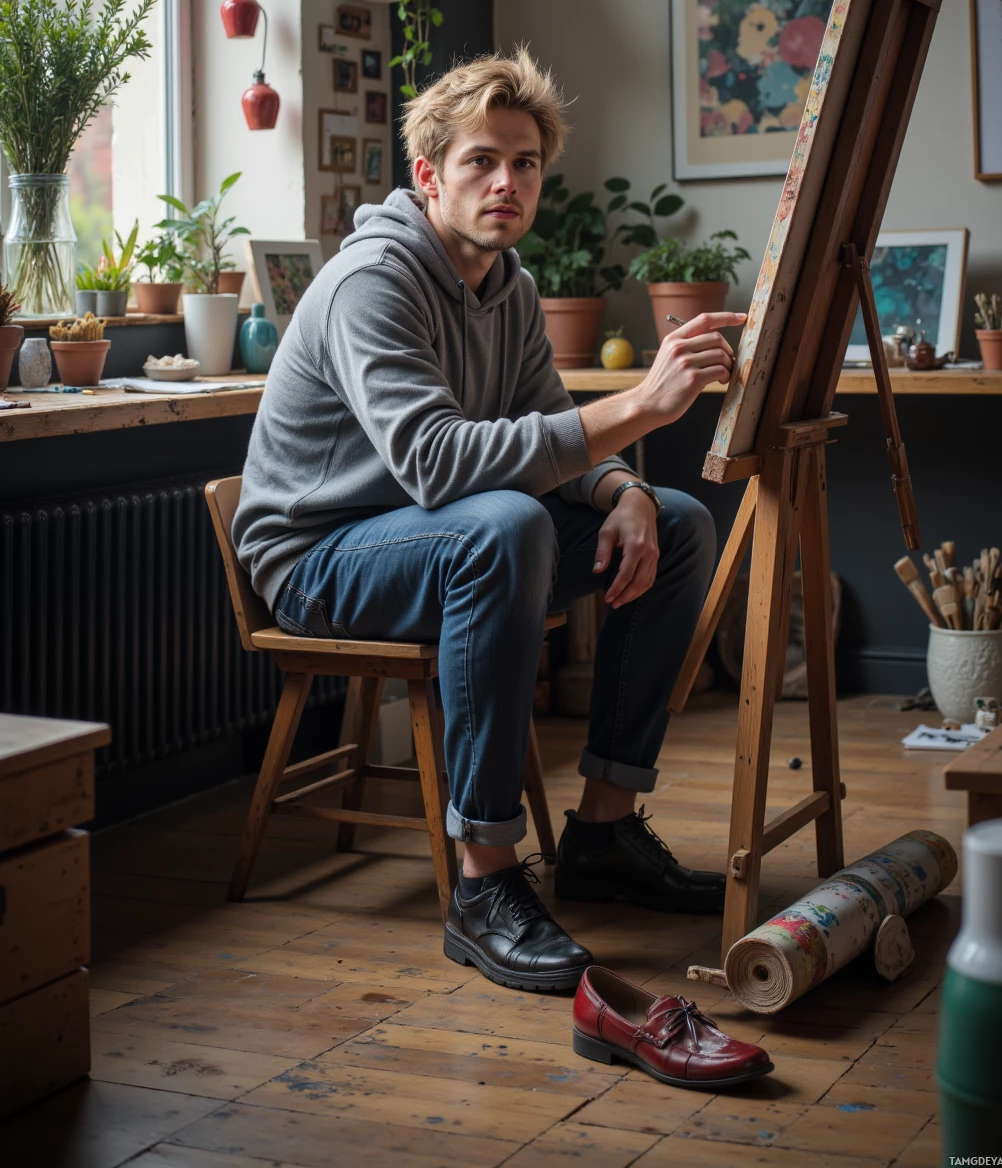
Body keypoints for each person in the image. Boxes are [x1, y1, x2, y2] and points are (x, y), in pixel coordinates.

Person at [234, 49, 746, 993]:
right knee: (506, 526)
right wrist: (640, 407)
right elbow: (435, 463)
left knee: (675, 523)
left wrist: (625, 491)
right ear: (429, 175)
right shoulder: (370, 283)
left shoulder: (507, 284)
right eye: (481, 160)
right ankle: (483, 883)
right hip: (318, 556)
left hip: (436, 536)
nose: (507, 182)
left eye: (525, 163)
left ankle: (602, 834)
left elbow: (546, 424)